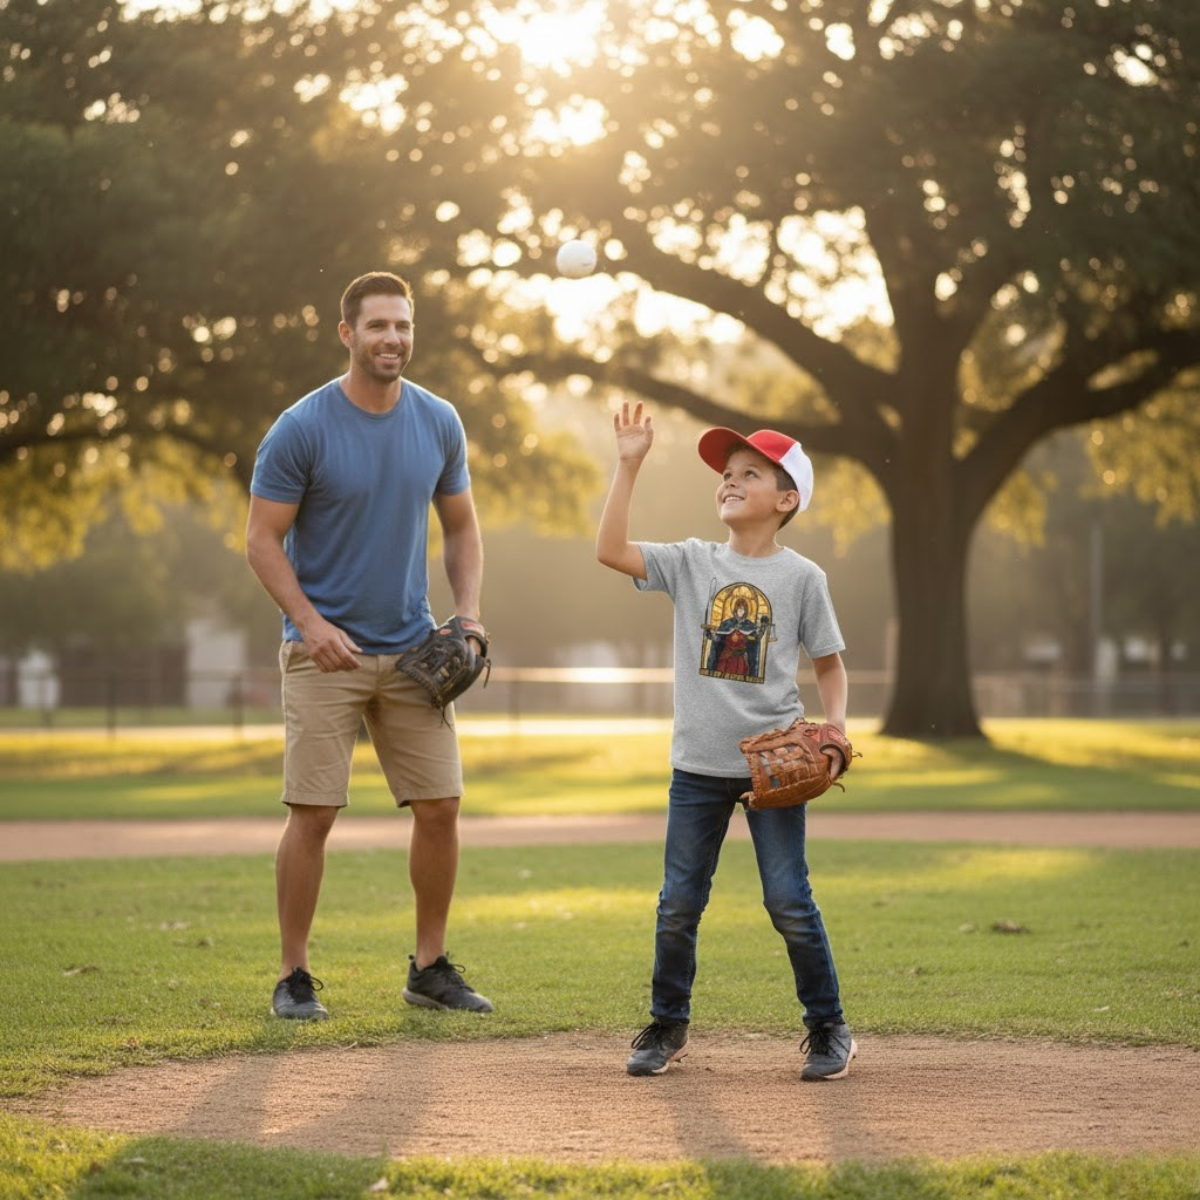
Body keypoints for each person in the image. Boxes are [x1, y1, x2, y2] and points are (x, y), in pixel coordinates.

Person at [246, 270, 493, 1021]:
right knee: (314, 813)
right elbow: (261, 540)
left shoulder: (438, 421)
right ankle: (293, 975)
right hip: (325, 653)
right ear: (348, 333)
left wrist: (470, 615)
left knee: (442, 806)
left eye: (404, 326)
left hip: (413, 649)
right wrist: (311, 625)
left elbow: (461, 527)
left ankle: (429, 967)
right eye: (378, 326)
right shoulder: (302, 427)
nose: (393, 339)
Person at [596, 400, 855, 1081]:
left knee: (788, 900)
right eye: (726, 473)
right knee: (679, 903)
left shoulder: (803, 578)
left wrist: (835, 728)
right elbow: (609, 550)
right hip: (697, 770)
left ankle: (829, 1027)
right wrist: (628, 467)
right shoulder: (690, 562)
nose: (731, 481)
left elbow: (828, 662)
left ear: (787, 497)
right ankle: (668, 1024)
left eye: (750, 473)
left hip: (774, 771)